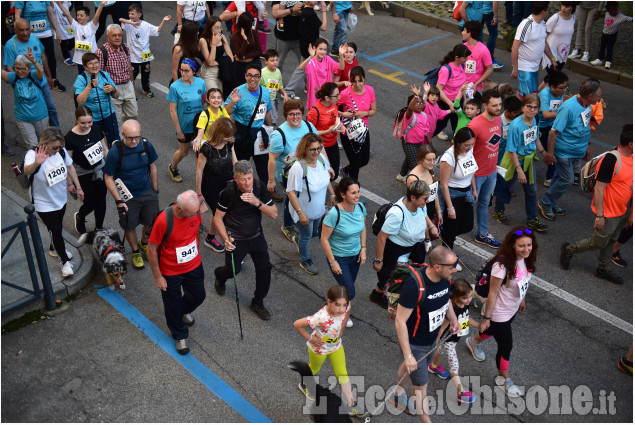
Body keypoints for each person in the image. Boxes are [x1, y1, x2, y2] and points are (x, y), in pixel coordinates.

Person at [466, 226, 538, 399]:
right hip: (499, 313)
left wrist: (522, 299)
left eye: (529, 245)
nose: (526, 249)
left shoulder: (525, 259)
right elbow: (492, 294)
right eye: (522, 246)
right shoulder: (501, 266)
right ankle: (504, 379)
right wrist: (487, 318)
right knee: (506, 346)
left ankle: (473, 341)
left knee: (493, 331)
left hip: (512, 308)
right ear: (512, 245)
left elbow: (523, 281)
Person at [390, 246, 459, 420]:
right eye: (452, 266)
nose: (455, 269)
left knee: (410, 368)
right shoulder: (414, 286)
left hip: (432, 338)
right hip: (415, 343)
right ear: (437, 267)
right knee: (421, 386)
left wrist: (453, 319)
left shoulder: (446, 278)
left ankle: (396, 393)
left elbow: (446, 299)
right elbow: (400, 321)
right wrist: (408, 355)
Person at [560, 124, 633, 285]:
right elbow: (599, 189)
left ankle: (603, 269)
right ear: (631, 144)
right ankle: (569, 249)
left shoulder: (632, 157)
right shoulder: (611, 160)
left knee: (612, 240)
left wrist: (631, 212)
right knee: (598, 242)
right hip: (607, 212)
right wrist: (599, 216)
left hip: (621, 211)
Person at [213, 160, 278, 321]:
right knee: (233, 270)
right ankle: (220, 275)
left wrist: (257, 203)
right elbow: (217, 218)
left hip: (256, 235)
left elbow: (274, 214)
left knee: (265, 268)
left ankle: (257, 302)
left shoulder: (258, 187)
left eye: (249, 178)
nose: (247, 182)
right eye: (243, 179)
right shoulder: (228, 192)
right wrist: (224, 239)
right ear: (236, 178)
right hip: (236, 238)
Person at [148, 190, 207, 356]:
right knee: (172, 304)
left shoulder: (194, 211)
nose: (194, 215)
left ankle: (182, 311)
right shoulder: (163, 220)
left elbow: (196, 231)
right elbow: (151, 249)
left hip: (193, 265)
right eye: (190, 213)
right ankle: (179, 335)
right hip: (170, 270)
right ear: (179, 209)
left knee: (198, 296)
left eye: (195, 212)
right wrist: (158, 276)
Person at [293, 286, 363, 417]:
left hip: (336, 347)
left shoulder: (345, 308)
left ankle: (352, 405)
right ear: (329, 302)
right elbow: (297, 324)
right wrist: (310, 338)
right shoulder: (320, 317)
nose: (341, 309)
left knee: (342, 372)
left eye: (344, 305)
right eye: (337, 305)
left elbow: (349, 309)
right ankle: (304, 384)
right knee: (313, 368)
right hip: (319, 348)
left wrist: (342, 328)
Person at [23, 127, 84, 278]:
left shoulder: (61, 152)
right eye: (54, 147)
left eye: (59, 147)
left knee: (56, 227)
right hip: (43, 202)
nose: (57, 150)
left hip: (60, 199)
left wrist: (77, 186)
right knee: (56, 229)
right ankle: (64, 262)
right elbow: (27, 171)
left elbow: (69, 167)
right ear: (45, 143)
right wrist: (36, 163)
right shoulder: (33, 154)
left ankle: (53, 248)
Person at [539, 78, 602, 221]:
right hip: (564, 152)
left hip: (577, 151)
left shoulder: (587, 105)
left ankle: (551, 202)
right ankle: (545, 203)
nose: (600, 98)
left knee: (559, 178)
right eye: (598, 96)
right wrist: (549, 153)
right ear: (590, 96)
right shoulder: (568, 107)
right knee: (567, 180)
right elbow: (553, 132)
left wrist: (587, 146)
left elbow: (585, 126)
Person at [370, 180, 439, 309]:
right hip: (396, 248)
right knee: (387, 274)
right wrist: (378, 260)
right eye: (425, 199)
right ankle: (378, 294)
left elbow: (423, 219)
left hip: (415, 245)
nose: (428, 201)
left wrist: (428, 236)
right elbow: (381, 237)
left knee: (417, 269)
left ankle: (410, 292)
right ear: (413, 197)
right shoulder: (397, 214)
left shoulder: (420, 206)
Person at [103, 120, 159, 270]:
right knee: (130, 225)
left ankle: (144, 243)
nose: (134, 141)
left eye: (136, 137)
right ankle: (135, 251)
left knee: (151, 221)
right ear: (122, 135)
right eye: (129, 138)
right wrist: (119, 201)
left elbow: (152, 167)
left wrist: (155, 189)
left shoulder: (146, 145)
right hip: (127, 197)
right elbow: (108, 177)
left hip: (147, 191)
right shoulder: (115, 152)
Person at [495, 95, 549, 232]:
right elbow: (511, 150)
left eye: (535, 107)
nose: (532, 110)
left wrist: (544, 153)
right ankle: (498, 211)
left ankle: (531, 220)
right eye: (529, 107)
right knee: (505, 187)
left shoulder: (535, 120)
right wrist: (519, 170)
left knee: (531, 191)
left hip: (528, 160)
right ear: (523, 107)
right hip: (514, 160)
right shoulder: (515, 125)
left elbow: (535, 138)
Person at [268, 100, 318, 238]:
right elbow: (272, 159)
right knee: (292, 199)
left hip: (308, 171)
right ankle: (287, 226)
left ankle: (303, 216)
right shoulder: (279, 135)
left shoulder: (308, 126)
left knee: (305, 196)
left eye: (298, 114)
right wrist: (271, 181)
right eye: (291, 114)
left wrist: (327, 165)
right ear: (285, 115)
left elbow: (320, 147)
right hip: (288, 175)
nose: (295, 117)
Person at [286, 133, 335, 275]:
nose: (317, 152)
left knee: (314, 233)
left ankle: (299, 237)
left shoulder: (321, 159)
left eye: (319, 148)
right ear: (305, 149)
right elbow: (291, 193)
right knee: (307, 236)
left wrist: (332, 194)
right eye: (312, 149)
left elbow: (326, 178)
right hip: (304, 211)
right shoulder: (298, 168)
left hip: (319, 209)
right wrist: (300, 213)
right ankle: (305, 259)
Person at [320, 177, 366, 326]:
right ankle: (337, 311)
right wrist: (333, 262)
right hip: (339, 257)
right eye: (353, 193)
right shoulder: (334, 214)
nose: (357, 195)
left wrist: (363, 249)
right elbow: (324, 239)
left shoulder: (360, 207)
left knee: (347, 288)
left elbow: (363, 229)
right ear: (343, 194)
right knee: (350, 292)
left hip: (355, 256)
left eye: (358, 191)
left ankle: (335, 305)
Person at [428, 278, 479, 404]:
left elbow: (465, 318)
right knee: (454, 365)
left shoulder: (463, 305)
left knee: (440, 352)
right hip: (448, 341)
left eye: (470, 296)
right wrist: (437, 340)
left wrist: (478, 325)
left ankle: (433, 366)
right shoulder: (451, 310)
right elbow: (442, 327)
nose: (469, 300)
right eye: (465, 298)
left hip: (453, 340)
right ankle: (461, 392)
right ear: (455, 297)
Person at [4, 18, 60, 128]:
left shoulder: (34, 37)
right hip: (26, 85)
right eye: (21, 30)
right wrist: (17, 83)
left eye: (27, 29)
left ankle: (57, 133)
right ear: (15, 30)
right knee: (33, 110)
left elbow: (43, 57)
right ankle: (34, 134)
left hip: (41, 80)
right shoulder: (10, 45)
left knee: (51, 107)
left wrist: (49, 76)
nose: (25, 33)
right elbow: (9, 68)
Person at [224, 64, 273, 184]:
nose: (253, 79)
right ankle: (236, 188)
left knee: (263, 164)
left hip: (259, 133)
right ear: (245, 76)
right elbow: (226, 112)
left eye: (256, 76)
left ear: (260, 77)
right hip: (242, 132)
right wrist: (232, 103)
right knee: (240, 164)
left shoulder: (265, 92)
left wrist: (270, 129)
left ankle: (266, 190)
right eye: (250, 75)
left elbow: (267, 112)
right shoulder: (238, 91)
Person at [65, 106, 109, 240]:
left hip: (99, 170)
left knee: (101, 200)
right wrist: (70, 183)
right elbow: (68, 163)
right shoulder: (70, 137)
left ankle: (99, 227)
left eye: (89, 122)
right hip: (82, 174)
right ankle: (80, 216)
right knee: (91, 202)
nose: (87, 125)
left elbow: (105, 149)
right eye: (82, 123)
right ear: (76, 120)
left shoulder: (96, 129)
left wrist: (111, 168)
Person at [195, 117, 237, 252]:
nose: (229, 139)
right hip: (211, 187)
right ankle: (230, 244)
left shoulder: (229, 144)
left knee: (218, 213)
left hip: (227, 183)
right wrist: (199, 194)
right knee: (221, 214)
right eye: (227, 136)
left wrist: (240, 179)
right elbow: (199, 171)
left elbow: (235, 162)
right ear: (219, 133)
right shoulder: (206, 148)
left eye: (231, 136)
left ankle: (210, 238)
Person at [468, 89, 503, 249]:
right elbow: (463, 150)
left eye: (500, 104)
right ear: (484, 105)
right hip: (475, 175)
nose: (498, 108)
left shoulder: (498, 120)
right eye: (494, 105)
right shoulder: (474, 125)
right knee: (465, 203)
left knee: (483, 203)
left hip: (491, 173)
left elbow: (494, 146)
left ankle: (482, 234)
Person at [167, 58, 206, 183]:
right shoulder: (175, 87)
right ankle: (173, 167)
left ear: (194, 71)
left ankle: (201, 179)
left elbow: (204, 101)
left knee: (199, 152)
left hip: (199, 125)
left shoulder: (200, 83)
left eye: (186, 71)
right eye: (181, 70)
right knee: (183, 152)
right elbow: (173, 110)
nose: (183, 73)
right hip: (184, 126)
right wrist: (179, 131)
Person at [119, 4, 171, 98]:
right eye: (129, 13)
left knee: (146, 74)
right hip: (133, 56)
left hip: (145, 56)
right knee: (133, 74)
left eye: (133, 14)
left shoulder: (146, 25)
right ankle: (129, 90)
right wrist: (131, 23)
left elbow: (157, 29)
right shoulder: (128, 24)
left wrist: (163, 21)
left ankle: (146, 89)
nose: (131, 15)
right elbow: (120, 20)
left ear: (139, 15)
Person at [439, 127, 478, 250]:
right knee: (451, 230)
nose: (470, 147)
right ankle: (446, 256)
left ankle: (444, 237)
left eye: (472, 144)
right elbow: (443, 184)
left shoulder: (468, 151)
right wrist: (450, 207)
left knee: (467, 225)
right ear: (458, 143)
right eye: (466, 145)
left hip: (466, 193)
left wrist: (474, 189)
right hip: (453, 195)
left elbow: (470, 171)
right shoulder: (448, 157)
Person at [95, 24, 139, 131]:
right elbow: (98, 74)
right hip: (113, 89)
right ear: (108, 37)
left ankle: (127, 131)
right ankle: (120, 143)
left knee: (133, 114)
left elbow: (129, 66)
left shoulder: (125, 47)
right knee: (117, 120)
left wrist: (133, 85)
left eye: (119, 35)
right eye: (114, 35)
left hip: (127, 86)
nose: (117, 37)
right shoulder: (101, 52)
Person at [14, 1, 65, 92]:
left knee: (51, 56)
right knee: (33, 57)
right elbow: (17, 16)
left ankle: (53, 79)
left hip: (46, 32)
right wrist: (20, 32)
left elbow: (51, 14)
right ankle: (33, 79)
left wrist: (57, 32)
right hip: (31, 34)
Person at [1, 50, 48, 148]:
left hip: (40, 116)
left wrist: (34, 61)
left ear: (30, 68)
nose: (19, 71)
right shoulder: (13, 77)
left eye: (23, 69)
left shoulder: (35, 76)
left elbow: (41, 71)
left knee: (44, 143)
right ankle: (35, 162)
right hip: (23, 118)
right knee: (32, 146)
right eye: (16, 68)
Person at [511, 2, 558, 97]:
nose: (549, 12)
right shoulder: (527, 24)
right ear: (543, 11)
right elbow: (514, 47)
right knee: (530, 97)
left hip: (535, 67)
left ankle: (514, 110)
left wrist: (552, 59)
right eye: (548, 10)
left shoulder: (543, 23)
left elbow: (543, 43)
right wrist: (515, 69)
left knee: (524, 93)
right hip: (524, 67)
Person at [74, 52, 120, 147]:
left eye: (96, 62)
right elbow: (80, 101)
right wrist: (89, 86)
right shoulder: (81, 79)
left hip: (108, 115)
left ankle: (115, 160)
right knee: (95, 145)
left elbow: (117, 96)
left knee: (115, 142)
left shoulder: (104, 75)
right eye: (91, 63)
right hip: (92, 120)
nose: (94, 66)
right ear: (85, 67)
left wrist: (113, 89)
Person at [284, 1, 328, 99]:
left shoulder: (303, 10)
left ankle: (309, 87)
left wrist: (320, 37)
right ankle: (288, 90)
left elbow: (310, 28)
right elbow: (323, 27)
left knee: (307, 67)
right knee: (302, 69)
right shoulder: (310, 13)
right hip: (310, 47)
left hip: (305, 43)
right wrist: (324, 11)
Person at [339, 66, 376, 180]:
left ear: (364, 79)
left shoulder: (370, 90)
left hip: (363, 131)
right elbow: (332, 108)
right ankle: (353, 190)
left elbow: (374, 111)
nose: (358, 84)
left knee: (364, 160)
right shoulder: (345, 93)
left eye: (360, 81)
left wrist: (364, 113)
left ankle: (345, 170)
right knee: (355, 163)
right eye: (354, 81)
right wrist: (343, 114)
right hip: (348, 132)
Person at [537, 71, 568, 187]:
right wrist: (563, 113)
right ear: (552, 87)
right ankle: (549, 178)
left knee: (555, 149)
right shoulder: (544, 95)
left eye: (566, 87)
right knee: (550, 151)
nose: (564, 90)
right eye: (561, 88)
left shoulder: (560, 92)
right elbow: (545, 114)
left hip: (552, 125)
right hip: (541, 128)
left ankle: (552, 174)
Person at [396, 83, 432, 183]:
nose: (420, 105)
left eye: (421, 103)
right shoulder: (409, 116)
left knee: (409, 159)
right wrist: (416, 96)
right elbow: (411, 108)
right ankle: (416, 185)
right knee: (415, 166)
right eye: (417, 103)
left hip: (419, 142)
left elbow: (426, 130)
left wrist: (425, 93)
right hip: (409, 143)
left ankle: (401, 175)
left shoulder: (423, 114)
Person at [307, 82, 343, 179]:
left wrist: (340, 124)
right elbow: (309, 133)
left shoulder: (334, 104)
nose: (339, 98)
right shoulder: (314, 111)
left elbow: (334, 117)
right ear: (327, 98)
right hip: (321, 148)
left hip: (333, 143)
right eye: (336, 95)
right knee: (323, 175)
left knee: (334, 174)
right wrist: (328, 131)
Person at [57, 2, 105, 74]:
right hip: (80, 59)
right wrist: (59, 3)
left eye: (81, 15)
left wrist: (101, 4)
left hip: (92, 58)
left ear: (87, 17)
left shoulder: (91, 26)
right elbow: (67, 14)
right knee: (83, 78)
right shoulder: (75, 26)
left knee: (94, 77)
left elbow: (97, 15)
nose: (79, 17)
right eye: (77, 15)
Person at [298, 38, 345, 110]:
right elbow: (301, 67)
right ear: (315, 48)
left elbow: (341, 67)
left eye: (325, 49)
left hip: (327, 95)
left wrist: (341, 55)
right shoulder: (311, 61)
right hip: (315, 97)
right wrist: (310, 57)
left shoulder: (328, 59)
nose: (322, 52)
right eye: (320, 49)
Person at [435, 44, 469, 141]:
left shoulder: (463, 65)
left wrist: (465, 100)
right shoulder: (446, 70)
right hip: (446, 103)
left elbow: (463, 85)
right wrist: (450, 104)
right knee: (439, 125)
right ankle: (426, 145)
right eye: (465, 57)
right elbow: (438, 89)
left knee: (458, 126)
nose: (467, 59)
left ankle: (457, 147)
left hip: (458, 101)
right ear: (457, 58)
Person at [406, 145, 443, 230]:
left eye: (434, 159)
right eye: (429, 160)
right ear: (421, 159)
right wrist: (430, 224)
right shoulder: (413, 178)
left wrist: (438, 211)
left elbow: (434, 191)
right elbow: (414, 203)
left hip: (430, 209)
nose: (433, 163)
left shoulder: (429, 169)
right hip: (419, 214)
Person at [589, 2, 632, 69]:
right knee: (602, 46)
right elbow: (601, 15)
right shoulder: (606, 13)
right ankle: (600, 59)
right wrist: (597, 15)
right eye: (612, 10)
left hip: (612, 35)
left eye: (615, 9)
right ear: (608, 10)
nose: (614, 11)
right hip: (604, 34)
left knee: (610, 48)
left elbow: (629, 18)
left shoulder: (621, 17)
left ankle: (608, 61)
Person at [198, 16, 233, 96]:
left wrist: (219, 62)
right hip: (209, 73)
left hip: (221, 72)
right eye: (216, 28)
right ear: (210, 28)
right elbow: (210, 62)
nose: (219, 31)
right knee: (214, 98)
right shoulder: (203, 40)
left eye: (221, 27)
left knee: (221, 99)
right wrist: (214, 43)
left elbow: (231, 58)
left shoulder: (222, 37)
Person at [541, 2, 576, 74]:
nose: (563, 8)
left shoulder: (573, 18)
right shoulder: (555, 18)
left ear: (572, 7)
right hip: (551, 52)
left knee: (552, 79)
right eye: (562, 5)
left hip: (563, 53)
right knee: (553, 77)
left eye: (567, 6)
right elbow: (543, 34)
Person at [230, 12, 262, 89]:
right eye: (250, 25)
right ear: (244, 25)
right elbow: (240, 55)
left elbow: (259, 51)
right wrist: (245, 40)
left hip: (254, 64)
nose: (252, 27)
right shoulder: (234, 37)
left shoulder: (253, 33)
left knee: (255, 87)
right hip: (241, 68)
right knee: (242, 89)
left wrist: (245, 57)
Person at [462, 20, 493, 96]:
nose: (462, 32)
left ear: (469, 34)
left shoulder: (483, 50)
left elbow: (489, 69)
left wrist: (476, 84)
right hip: (461, 85)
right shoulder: (463, 47)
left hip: (475, 88)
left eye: (464, 30)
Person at [259, 49, 289, 126]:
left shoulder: (278, 72)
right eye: (272, 60)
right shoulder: (262, 73)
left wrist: (285, 93)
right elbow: (256, 88)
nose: (275, 62)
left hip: (273, 101)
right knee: (262, 122)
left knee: (273, 122)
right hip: (262, 102)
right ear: (266, 61)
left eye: (276, 60)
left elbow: (279, 86)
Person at [271, 1, 303, 72]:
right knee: (277, 64)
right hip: (283, 38)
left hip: (300, 37)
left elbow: (308, 11)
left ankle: (309, 83)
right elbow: (275, 14)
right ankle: (276, 83)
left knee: (306, 64)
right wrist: (291, 10)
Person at [481, 1, 504, 69]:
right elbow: (495, 2)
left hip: (480, 11)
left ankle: (478, 58)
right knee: (493, 35)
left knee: (479, 34)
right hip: (489, 12)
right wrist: (495, 16)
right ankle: (489, 60)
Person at [51, 1, 75, 66]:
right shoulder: (54, 5)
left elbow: (70, 5)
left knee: (73, 42)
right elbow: (51, 7)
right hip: (60, 28)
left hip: (68, 26)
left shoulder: (66, 2)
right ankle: (66, 58)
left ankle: (68, 50)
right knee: (63, 43)